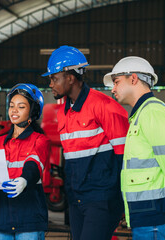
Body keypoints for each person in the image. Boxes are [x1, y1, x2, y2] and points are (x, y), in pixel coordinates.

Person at [42, 45, 129, 240]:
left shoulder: (105, 107)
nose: (50, 84)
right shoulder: (64, 112)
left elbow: (126, 157)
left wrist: (125, 201)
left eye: (54, 78)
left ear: (70, 77)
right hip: (76, 199)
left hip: (102, 200)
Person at [103, 56, 165, 239]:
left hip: (159, 221)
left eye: (117, 82)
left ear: (133, 79)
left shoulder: (153, 112)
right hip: (148, 220)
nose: (113, 89)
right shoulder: (141, 116)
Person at [0, 83, 50, 240]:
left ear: (32, 111)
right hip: (0, 217)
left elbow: (33, 163)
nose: (14, 110)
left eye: (21, 107)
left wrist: (24, 179)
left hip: (29, 218)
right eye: (12, 106)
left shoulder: (40, 140)